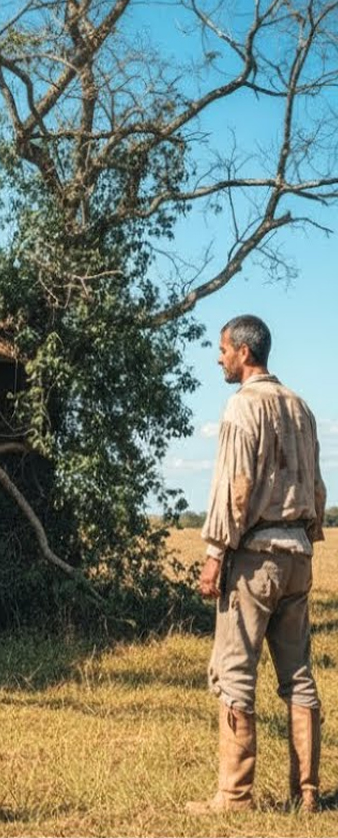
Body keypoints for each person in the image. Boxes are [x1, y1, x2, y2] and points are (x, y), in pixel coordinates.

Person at [186, 314, 326, 814]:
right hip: (298, 554)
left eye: (223, 349)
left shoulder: (243, 406)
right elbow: (316, 486)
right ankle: (307, 792)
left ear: (244, 352)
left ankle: (234, 795)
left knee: (235, 671)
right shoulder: (301, 407)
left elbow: (234, 486)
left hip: (255, 559)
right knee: (298, 674)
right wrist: (309, 535)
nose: (219, 358)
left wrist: (214, 555)